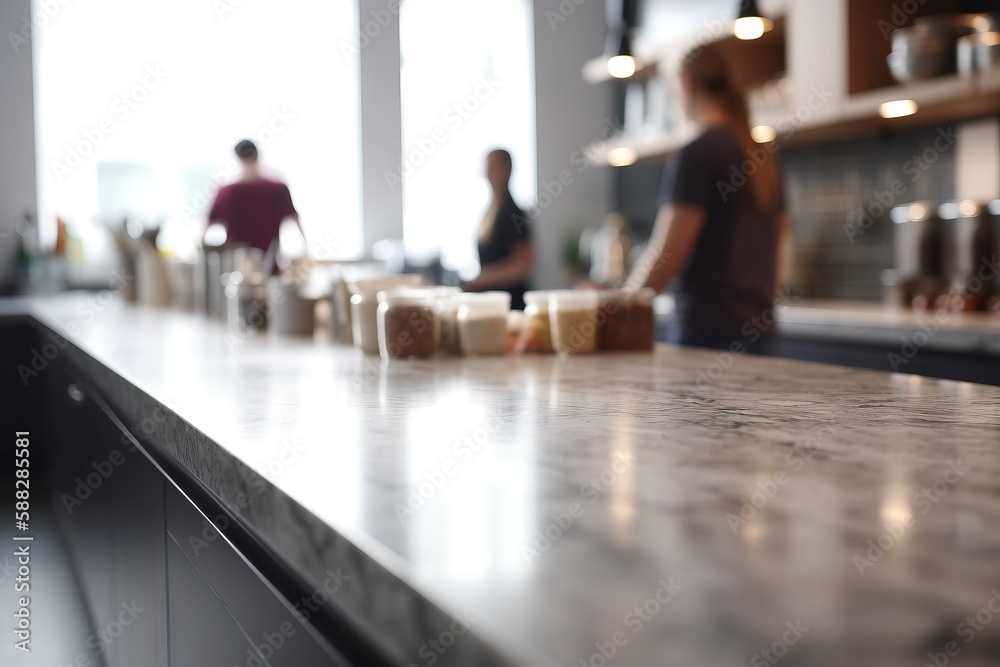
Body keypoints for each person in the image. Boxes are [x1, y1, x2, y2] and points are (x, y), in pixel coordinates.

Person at [625, 44, 787, 351]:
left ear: (687, 85)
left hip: (708, 334)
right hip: (760, 332)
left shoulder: (697, 153)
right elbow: (778, 250)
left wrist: (620, 305)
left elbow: (666, 255)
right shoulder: (764, 157)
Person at [205, 139, 302, 259]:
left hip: (241, 265)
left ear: (237, 159)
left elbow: (206, 227)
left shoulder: (226, 193)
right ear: (257, 157)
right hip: (259, 265)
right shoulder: (278, 189)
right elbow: (296, 221)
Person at [462, 149, 534, 310]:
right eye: (487, 167)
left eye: (493, 166)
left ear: (506, 169)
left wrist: (482, 278)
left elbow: (523, 265)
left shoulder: (513, 212)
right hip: (491, 303)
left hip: (510, 304)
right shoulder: (491, 211)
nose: (488, 172)